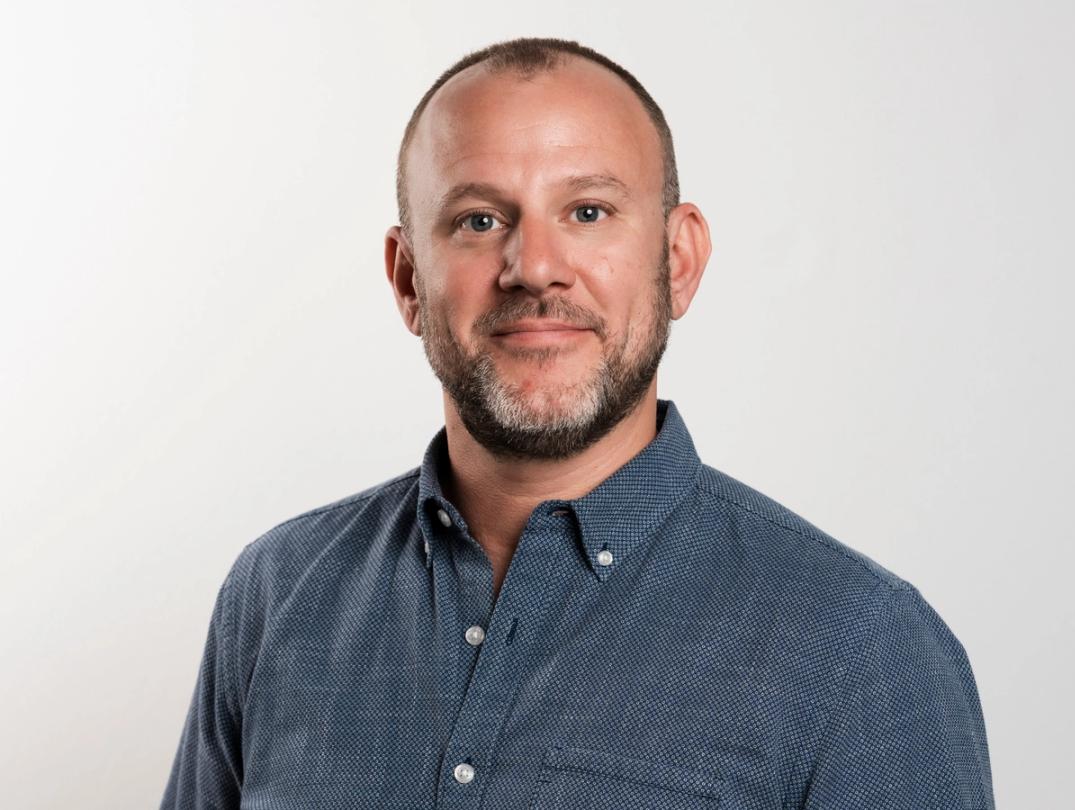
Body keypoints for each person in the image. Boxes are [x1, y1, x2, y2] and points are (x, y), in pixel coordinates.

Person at [161, 37, 995, 809]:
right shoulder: (278, 594)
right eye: (479, 220)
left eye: (588, 211)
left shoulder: (859, 648)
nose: (535, 269)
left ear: (678, 261)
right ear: (409, 279)